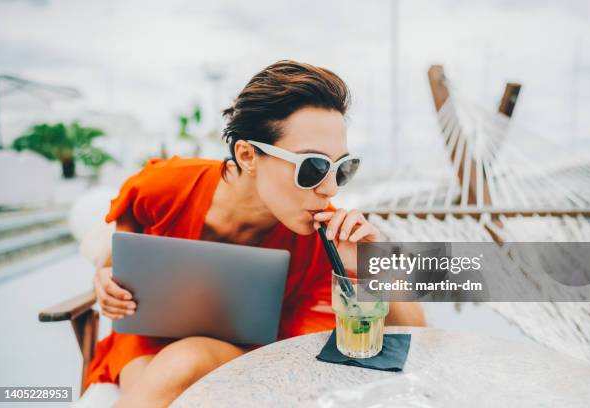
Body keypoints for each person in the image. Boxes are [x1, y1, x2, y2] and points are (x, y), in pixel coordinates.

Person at [86, 60, 426, 407]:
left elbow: (417, 335)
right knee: (164, 376)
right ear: (247, 155)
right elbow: (115, 260)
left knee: (183, 364)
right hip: (149, 336)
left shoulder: (324, 232)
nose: (330, 190)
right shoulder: (163, 187)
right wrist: (105, 280)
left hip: (252, 351)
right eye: (313, 166)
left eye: (341, 168)